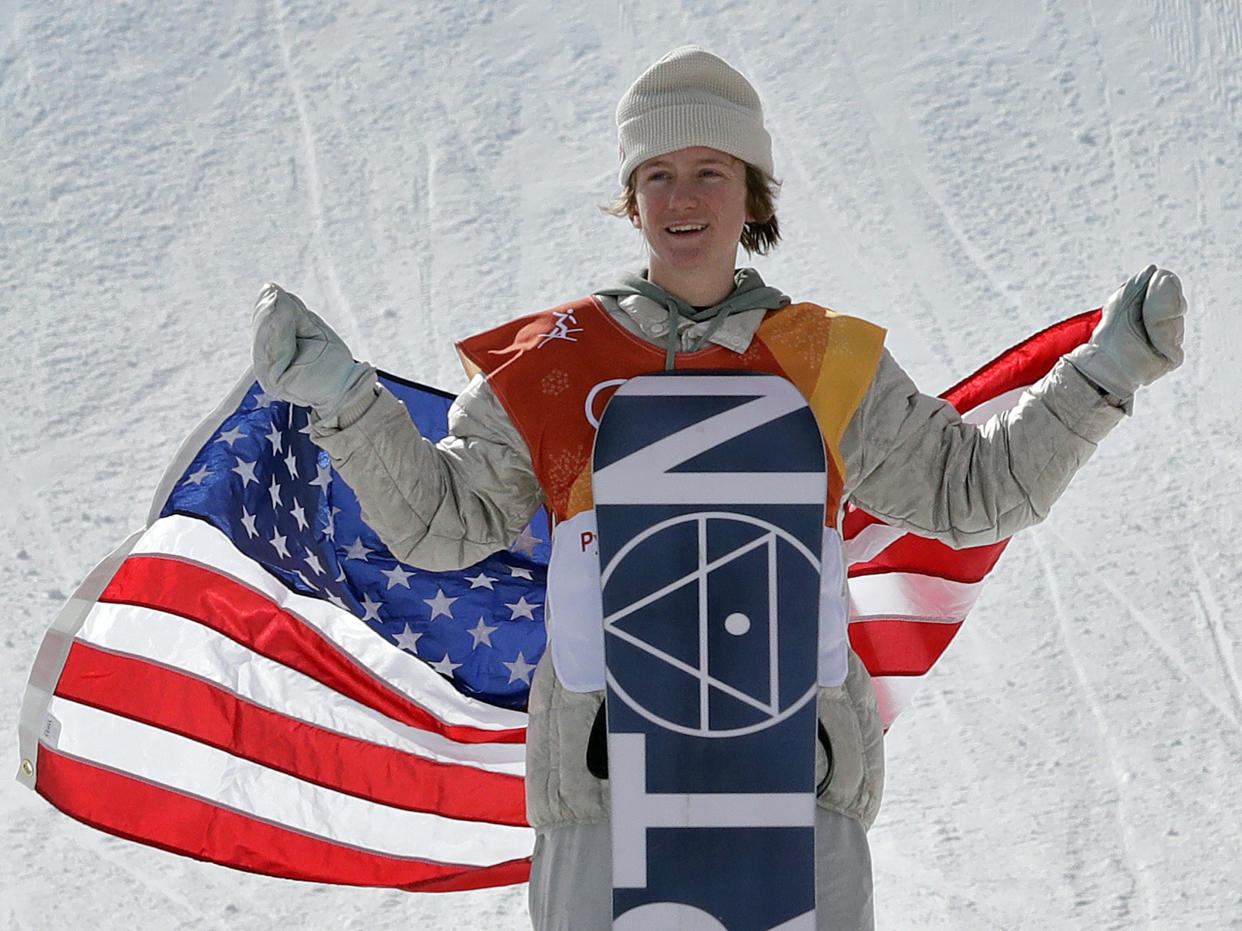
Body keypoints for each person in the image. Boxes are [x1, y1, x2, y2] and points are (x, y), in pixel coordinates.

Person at [250, 46, 1186, 931]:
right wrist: (347, 403)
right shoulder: (555, 366)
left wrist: (1105, 373)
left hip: (793, 782)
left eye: (711, 171)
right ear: (631, 199)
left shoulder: (822, 361)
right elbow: (443, 523)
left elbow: (979, 491)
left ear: (752, 195)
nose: (683, 197)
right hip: (605, 791)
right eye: (658, 174)